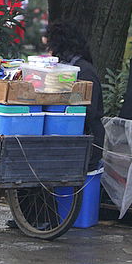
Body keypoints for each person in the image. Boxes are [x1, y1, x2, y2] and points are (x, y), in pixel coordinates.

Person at [44, 21, 105, 171]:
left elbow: (86, 110)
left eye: (49, 46)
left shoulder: (84, 72)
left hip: (87, 142)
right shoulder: (66, 70)